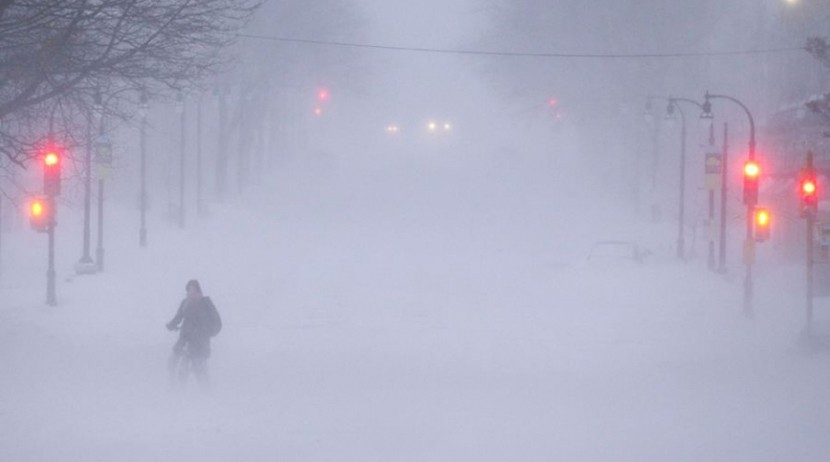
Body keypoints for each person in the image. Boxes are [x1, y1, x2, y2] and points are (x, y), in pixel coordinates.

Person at [166, 279, 221, 386]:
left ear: (199, 291)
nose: (190, 294)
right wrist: (171, 325)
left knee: (200, 370)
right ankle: (175, 388)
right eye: (188, 292)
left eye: (192, 291)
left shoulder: (205, 303)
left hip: (200, 343)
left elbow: (217, 322)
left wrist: (207, 332)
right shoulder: (185, 303)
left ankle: (205, 394)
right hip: (184, 339)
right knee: (172, 362)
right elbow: (179, 316)